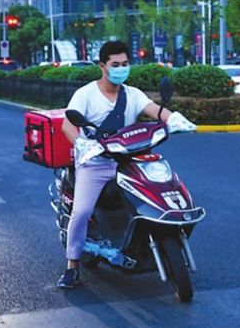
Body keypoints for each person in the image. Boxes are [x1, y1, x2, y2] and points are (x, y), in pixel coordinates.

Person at [56, 40, 194, 288]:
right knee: (82, 212)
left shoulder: (132, 94)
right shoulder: (86, 94)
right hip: (95, 162)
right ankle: (72, 265)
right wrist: (82, 143)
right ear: (103, 66)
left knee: (156, 192)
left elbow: (155, 111)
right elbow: (68, 124)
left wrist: (175, 118)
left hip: (129, 160)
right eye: (115, 65)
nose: (121, 69)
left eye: (125, 64)